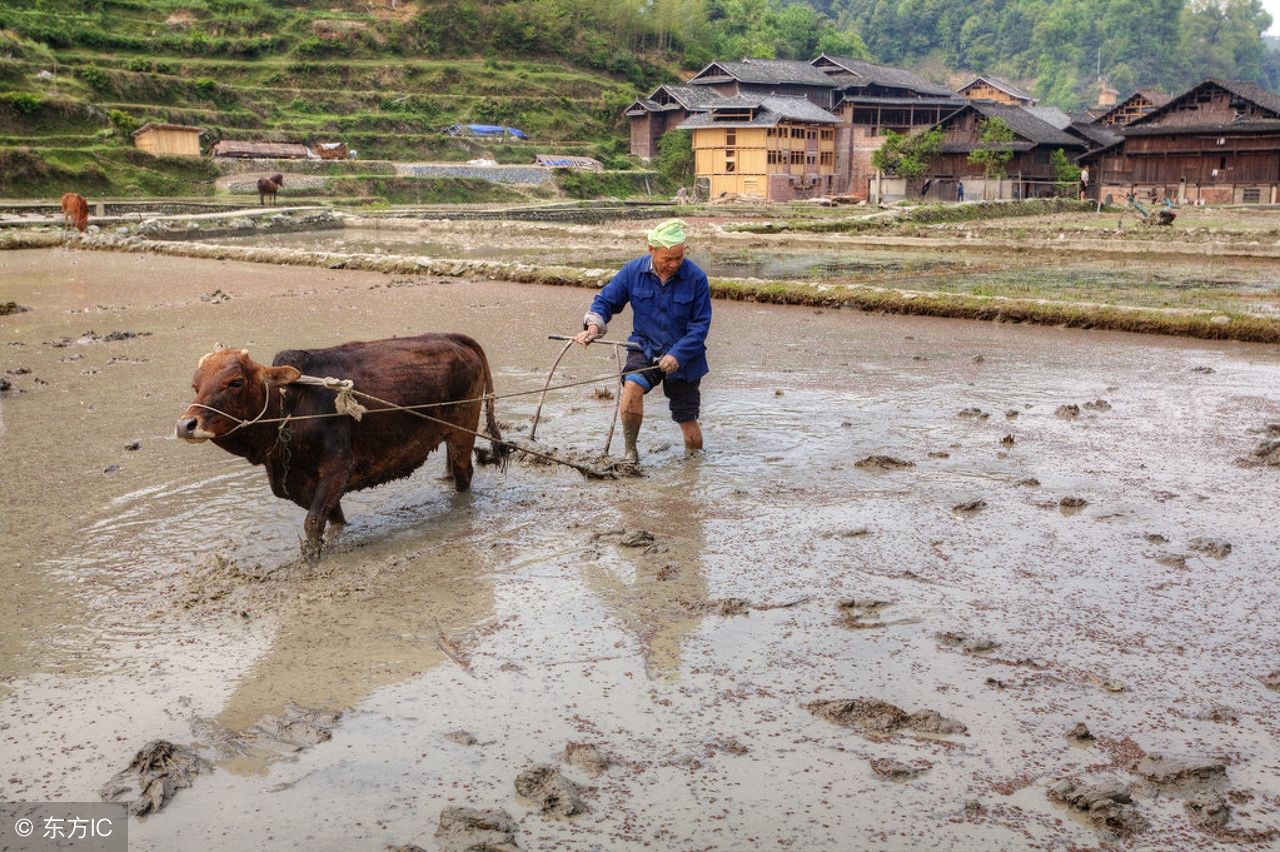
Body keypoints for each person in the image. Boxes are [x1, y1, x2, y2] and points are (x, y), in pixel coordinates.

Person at [574, 219, 712, 464]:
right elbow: (606, 302)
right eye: (667, 258)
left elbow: (700, 327)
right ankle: (630, 454)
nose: (674, 264)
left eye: (679, 257)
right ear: (651, 250)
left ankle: (693, 467)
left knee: (686, 418)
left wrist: (676, 355)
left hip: (684, 356)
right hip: (644, 346)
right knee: (631, 388)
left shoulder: (696, 278)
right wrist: (593, 328)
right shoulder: (633, 271)